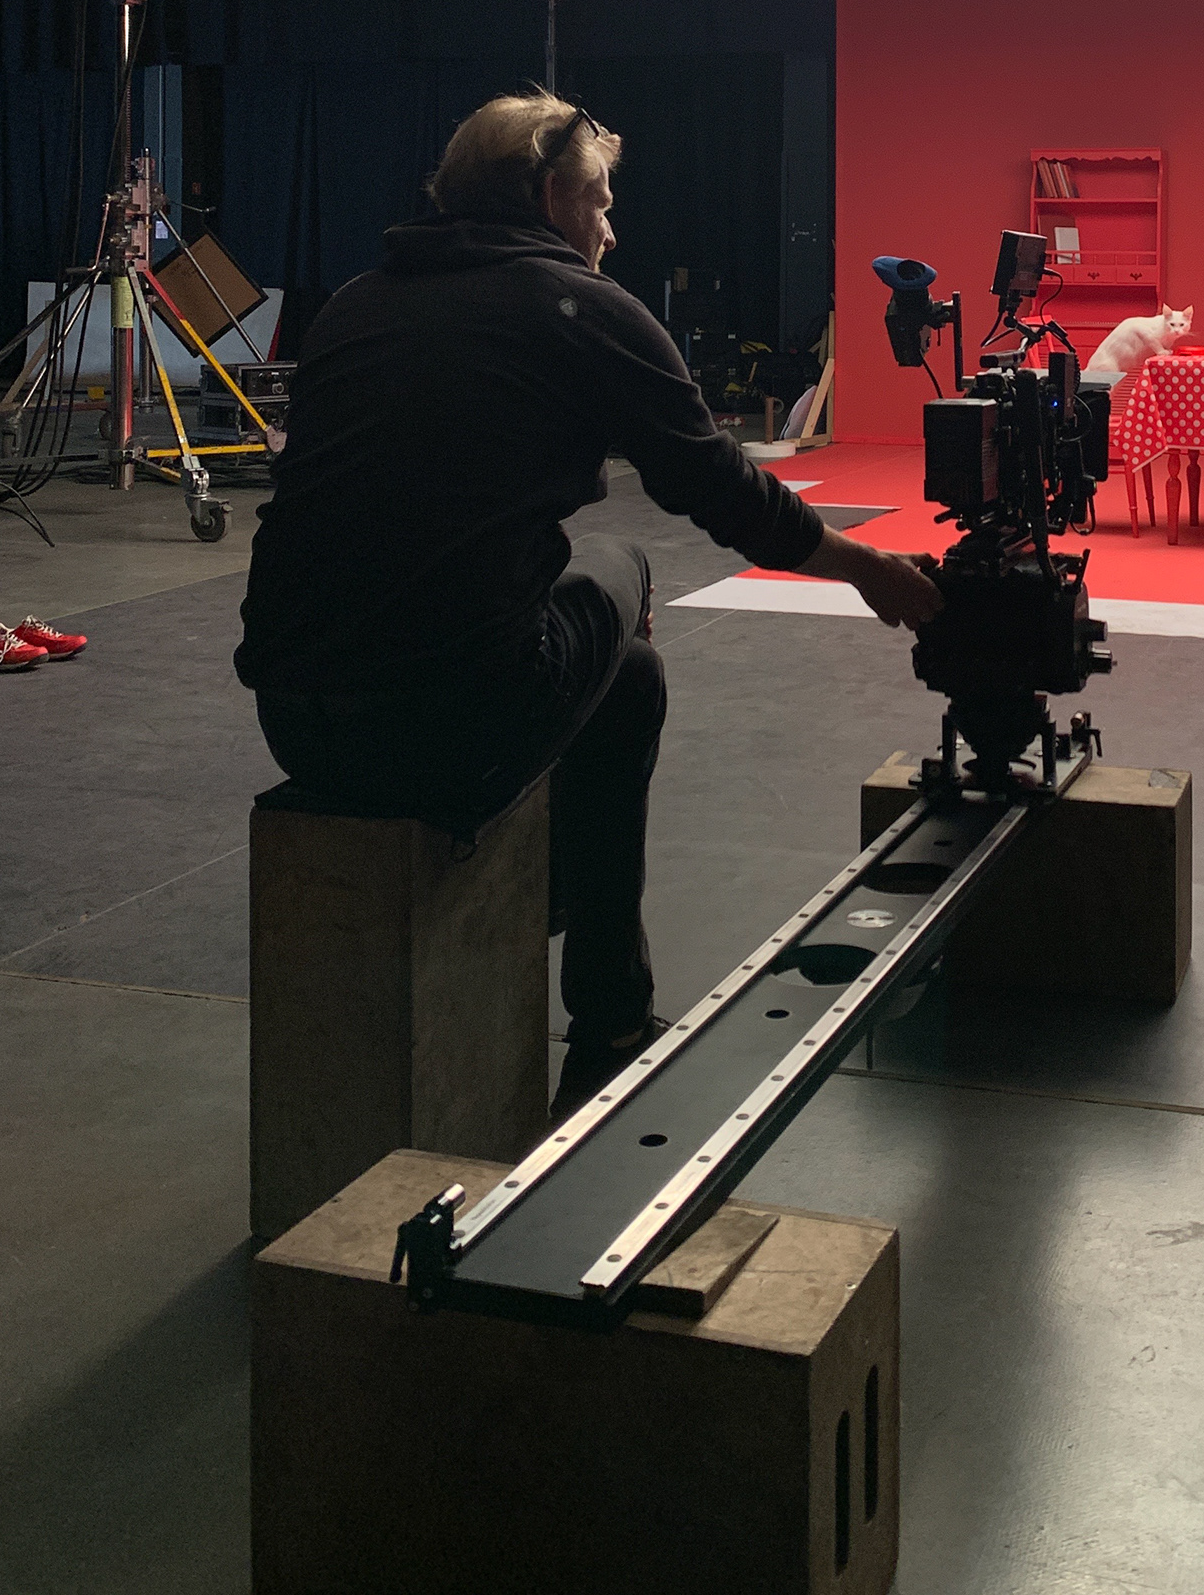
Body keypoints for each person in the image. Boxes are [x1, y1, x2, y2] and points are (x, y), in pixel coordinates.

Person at [235, 91, 940, 1118]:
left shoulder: (353, 302)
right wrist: (869, 570)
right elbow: (722, 491)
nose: (614, 229)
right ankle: (598, 995)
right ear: (549, 196)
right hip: (449, 732)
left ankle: (587, 956)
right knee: (624, 568)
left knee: (627, 672)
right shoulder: (584, 309)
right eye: (602, 202)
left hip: (297, 722)